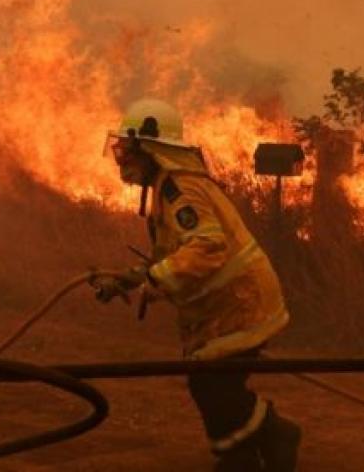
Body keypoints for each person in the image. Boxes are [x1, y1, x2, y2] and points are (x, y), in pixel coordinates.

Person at [95, 97, 301, 472]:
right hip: (226, 307)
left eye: (126, 150)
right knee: (213, 387)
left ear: (151, 148)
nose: (121, 159)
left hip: (241, 305)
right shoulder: (167, 187)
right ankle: (245, 453)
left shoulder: (179, 189)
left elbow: (207, 247)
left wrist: (154, 278)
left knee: (213, 387)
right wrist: (129, 281)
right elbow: (177, 256)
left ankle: (270, 439)